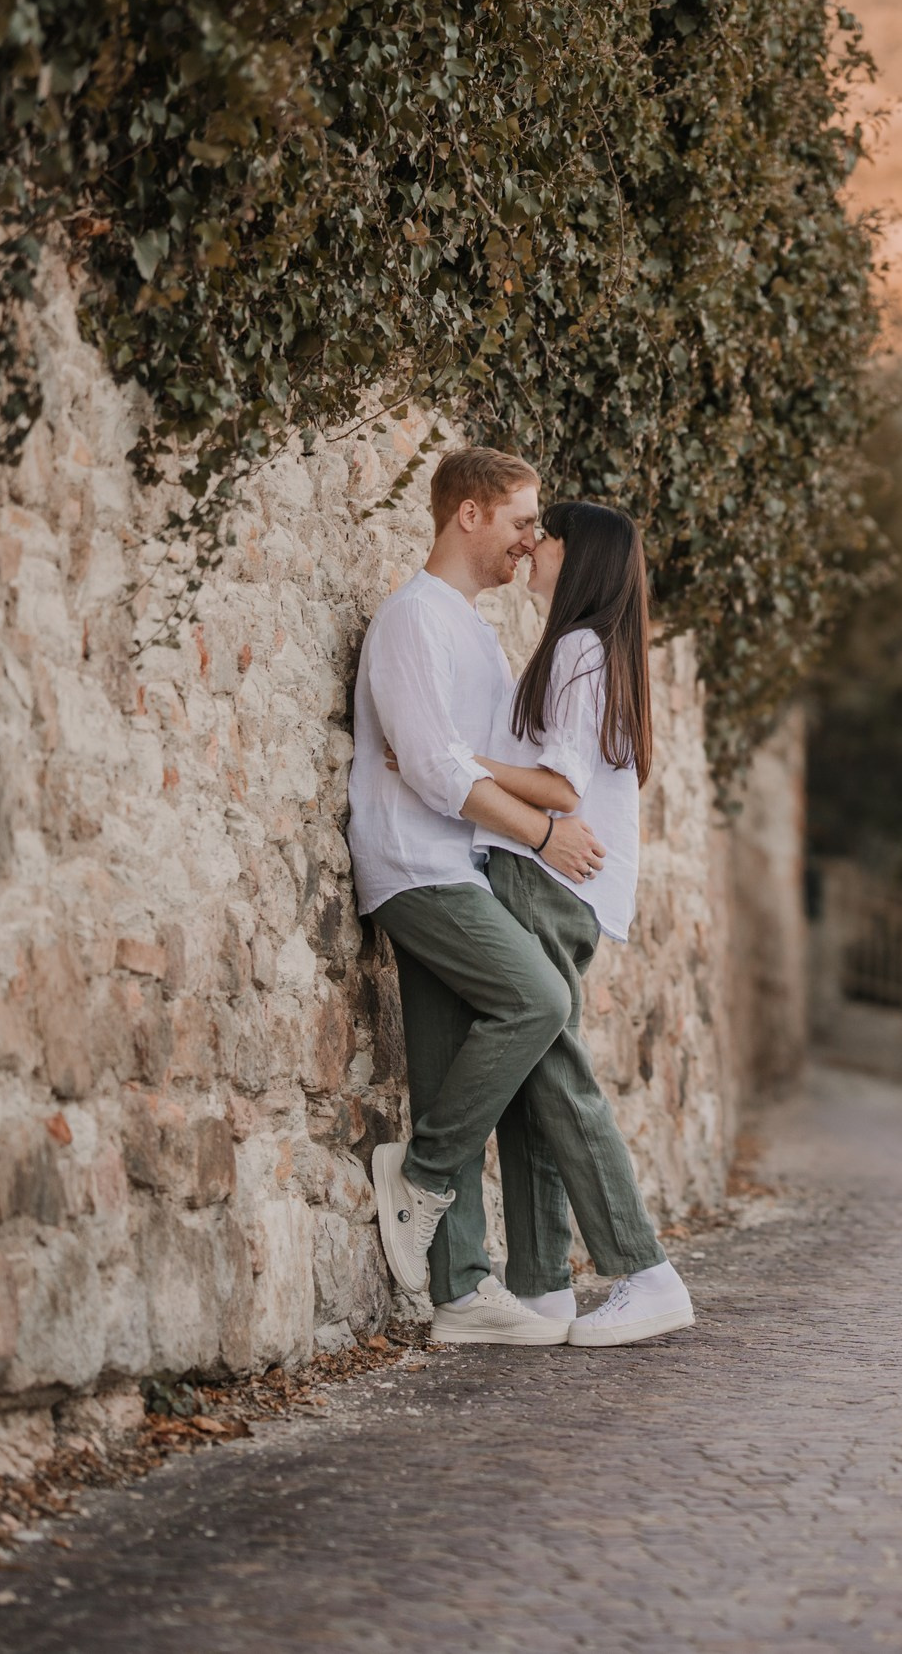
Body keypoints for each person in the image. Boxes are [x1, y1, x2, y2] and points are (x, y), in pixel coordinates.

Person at [349, 446, 605, 1348]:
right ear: (469, 514)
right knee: (540, 997)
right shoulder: (414, 619)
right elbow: (427, 766)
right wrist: (540, 832)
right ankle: (420, 1174)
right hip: (414, 865)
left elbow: (497, 766)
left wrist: (547, 807)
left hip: (461, 867)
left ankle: (458, 1294)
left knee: (445, 1055)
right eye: (521, 521)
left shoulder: (477, 634)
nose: (531, 540)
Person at [448, 498, 694, 1347]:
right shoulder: (598, 651)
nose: (531, 545)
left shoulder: (577, 649)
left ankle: (644, 1270)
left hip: (546, 878)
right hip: (569, 886)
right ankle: (544, 1286)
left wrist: (455, 761)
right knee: (535, 1081)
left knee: (554, 1072)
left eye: (543, 536)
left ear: (574, 555)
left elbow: (558, 785)